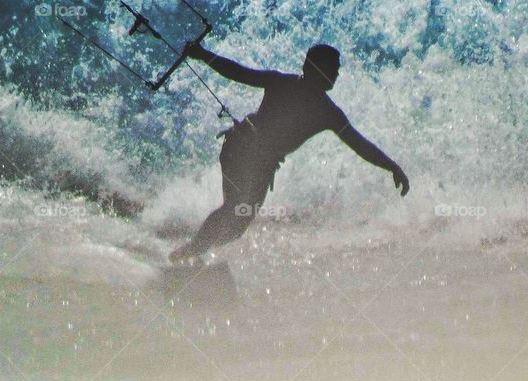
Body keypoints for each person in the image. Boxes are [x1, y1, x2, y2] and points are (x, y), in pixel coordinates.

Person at [169, 42, 409, 262]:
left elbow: (360, 144)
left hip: (264, 165)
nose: (336, 74)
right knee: (235, 206)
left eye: (337, 69)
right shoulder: (280, 83)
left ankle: (195, 250)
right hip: (240, 147)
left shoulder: (328, 112)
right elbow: (238, 72)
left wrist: (392, 166)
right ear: (310, 67)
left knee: (239, 223)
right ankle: (190, 253)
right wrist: (202, 54)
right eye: (332, 68)